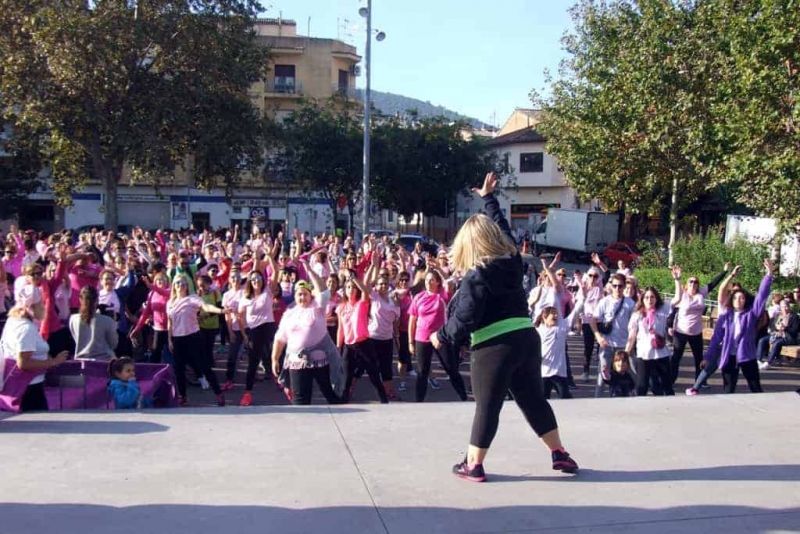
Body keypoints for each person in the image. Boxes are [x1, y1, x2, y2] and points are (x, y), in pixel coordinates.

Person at [431, 172, 578, 482]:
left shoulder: (476, 276)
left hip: (494, 346)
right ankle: (559, 453)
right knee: (533, 399)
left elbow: (464, 321)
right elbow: (503, 227)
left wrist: (440, 336)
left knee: (487, 406)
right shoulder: (512, 260)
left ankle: (473, 464)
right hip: (527, 338)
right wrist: (488, 199)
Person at [270, 267, 342, 405]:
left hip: (320, 360)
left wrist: (309, 269)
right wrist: (274, 359)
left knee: (331, 394)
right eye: (299, 294)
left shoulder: (317, 306)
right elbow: (280, 338)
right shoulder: (289, 313)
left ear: (310, 295)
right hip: (297, 362)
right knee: (300, 401)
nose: (302, 297)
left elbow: (324, 291)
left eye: (305, 294)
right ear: (295, 296)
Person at [702, 259, 773, 394]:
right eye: (735, 298)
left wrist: (768, 275)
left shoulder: (751, 314)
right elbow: (716, 338)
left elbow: (761, 296)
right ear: (731, 299)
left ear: (745, 300)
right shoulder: (726, 316)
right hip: (729, 356)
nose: (738, 300)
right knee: (729, 389)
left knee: (755, 388)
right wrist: (708, 357)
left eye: (741, 298)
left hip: (747, 356)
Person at [167, 274, 227, 406]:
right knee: (179, 370)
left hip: (193, 337)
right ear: (174, 286)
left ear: (187, 286)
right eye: (177, 283)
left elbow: (206, 307)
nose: (180, 285)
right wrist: (170, 340)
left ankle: (218, 393)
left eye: (183, 283)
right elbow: (170, 323)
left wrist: (221, 311)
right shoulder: (170, 303)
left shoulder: (193, 298)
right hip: (177, 339)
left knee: (204, 367)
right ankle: (183, 396)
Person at [1, 303, 69, 411]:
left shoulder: (14, 321)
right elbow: (23, 363)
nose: (45, 308)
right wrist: (54, 362)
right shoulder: (26, 328)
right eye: (42, 305)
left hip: (26, 386)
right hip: (28, 389)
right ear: (31, 308)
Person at [670, 264, 729, 385]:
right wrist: (677, 278)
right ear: (687, 284)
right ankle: (670, 380)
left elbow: (713, 284)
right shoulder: (683, 294)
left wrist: (724, 271)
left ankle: (700, 381)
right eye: (691, 281)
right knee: (676, 358)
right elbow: (673, 310)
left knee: (699, 359)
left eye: (695, 282)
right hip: (681, 332)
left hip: (696, 332)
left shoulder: (701, 293)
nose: (693, 283)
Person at [625, 282, 675, 396]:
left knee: (667, 385)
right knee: (641, 386)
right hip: (644, 354)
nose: (649, 300)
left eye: (652, 297)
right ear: (642, 299)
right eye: (646, 297)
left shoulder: (662, 310)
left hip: (660, 353)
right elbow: (632, 336)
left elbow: (677, 299)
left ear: (656, 299)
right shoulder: (637, 315)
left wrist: (676, 280)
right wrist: (626, 352)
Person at [590, 273, 636, 397]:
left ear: (624, 286)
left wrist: (629, 346)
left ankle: (634, 400)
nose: (617, 289)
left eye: (620, 286)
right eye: (614, 286)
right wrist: (598, 337)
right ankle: (597, 403)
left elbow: (634, 326)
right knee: (602, 377)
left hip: (624, 345)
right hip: (607, 345)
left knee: (633, 375)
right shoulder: (605, 301)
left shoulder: (630, 303)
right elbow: (593, 320)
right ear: (611, 286)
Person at [70, 286, 119, 361]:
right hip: (104, 361)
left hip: (81, 361)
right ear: (97, 300)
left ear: (80, 299)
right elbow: (113, 344)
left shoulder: (73, 319)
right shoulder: (107, 321)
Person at [758, 298, 799, 370]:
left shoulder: (794, 316)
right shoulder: (779, 316)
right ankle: (758, 360)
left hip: (789, 337)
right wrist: (776, 328)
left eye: (787, 306)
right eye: (783, 307)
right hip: (777, 335)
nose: (786, 308)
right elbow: (773, 326)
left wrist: (785, 328)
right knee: (763, 340)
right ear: (780, 307)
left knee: (777, 343)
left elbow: (795, 330)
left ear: (789, 306)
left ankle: (768, 362)